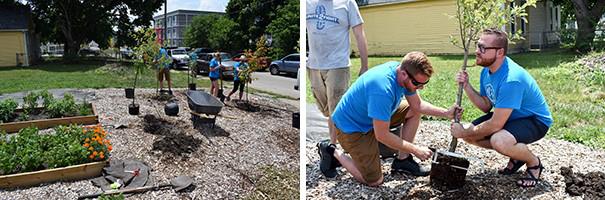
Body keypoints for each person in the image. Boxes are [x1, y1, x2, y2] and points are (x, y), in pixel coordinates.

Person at [317, 52, 462, 186]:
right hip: (351, 128)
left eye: (424, 84)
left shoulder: (401, 72)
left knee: (413, 111)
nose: (421, 88)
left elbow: (417, 106)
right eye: (417, 84)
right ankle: (331, 150)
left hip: (372, 116)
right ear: (404, 74)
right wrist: (416, 149)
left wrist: (446, 113)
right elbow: (382, 135)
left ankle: (402, 160)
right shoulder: (382, 89)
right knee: (374, 181)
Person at [450, 28, 553, 188]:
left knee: (499, 141)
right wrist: (466, 86)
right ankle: (516, 155)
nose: (477, 51)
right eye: (478, 46)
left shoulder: (511, 79)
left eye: (483, 48)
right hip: (511, 116)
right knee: (471, 135)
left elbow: (496, 125)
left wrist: (462, 132)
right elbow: (486, 106)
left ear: (500, 52)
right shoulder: (487, 71)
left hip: (535, 121)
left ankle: (533, 163)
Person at [306, 0, 369, 161]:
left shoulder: (347, 3)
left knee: (337, 111)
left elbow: (359, 33)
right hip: (313, 65)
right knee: (326, 110)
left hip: (338, 65)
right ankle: (332, 146)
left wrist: (364, 65)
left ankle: (331, 151)